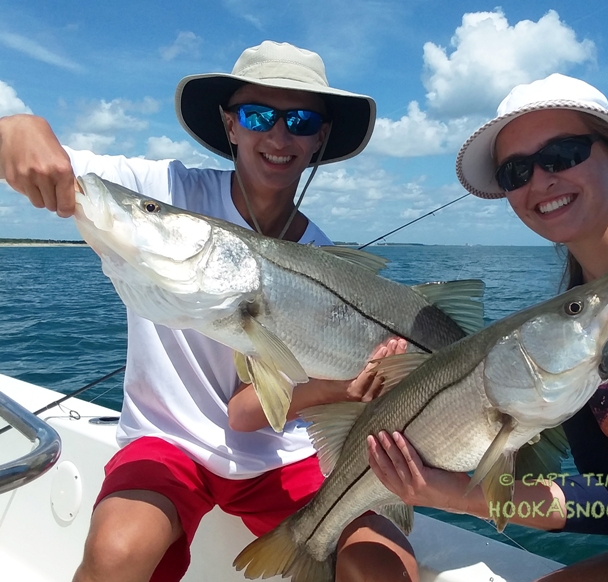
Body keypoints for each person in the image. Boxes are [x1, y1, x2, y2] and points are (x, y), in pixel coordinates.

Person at [0, 41, 419, 582]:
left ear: (320, 138)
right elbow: (66, 172)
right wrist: (16, 126)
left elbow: (258, 406)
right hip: (166, 441)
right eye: (258, 115)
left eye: (300, 119)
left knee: (383, 568)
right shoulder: (162, 191)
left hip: (287, 452)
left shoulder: (329, 262)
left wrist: (355, 385)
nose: (278, 134)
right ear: (230, 125)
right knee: (115, 553)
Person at [367, 73, 608, 581]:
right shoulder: (555, 338)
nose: (541, 180)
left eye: (562, 154)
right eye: (516, 171)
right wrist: (453, 496)